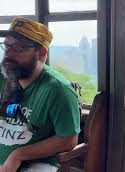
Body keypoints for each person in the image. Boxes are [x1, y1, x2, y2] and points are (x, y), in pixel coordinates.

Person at [0, 17, 80, 172]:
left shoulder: (58, 90)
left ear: (42, 53)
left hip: (35, 164)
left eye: (18, 48)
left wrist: (18, 155)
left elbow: (69, 139)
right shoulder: (3, 76)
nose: (8, 54)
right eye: (7, 45)